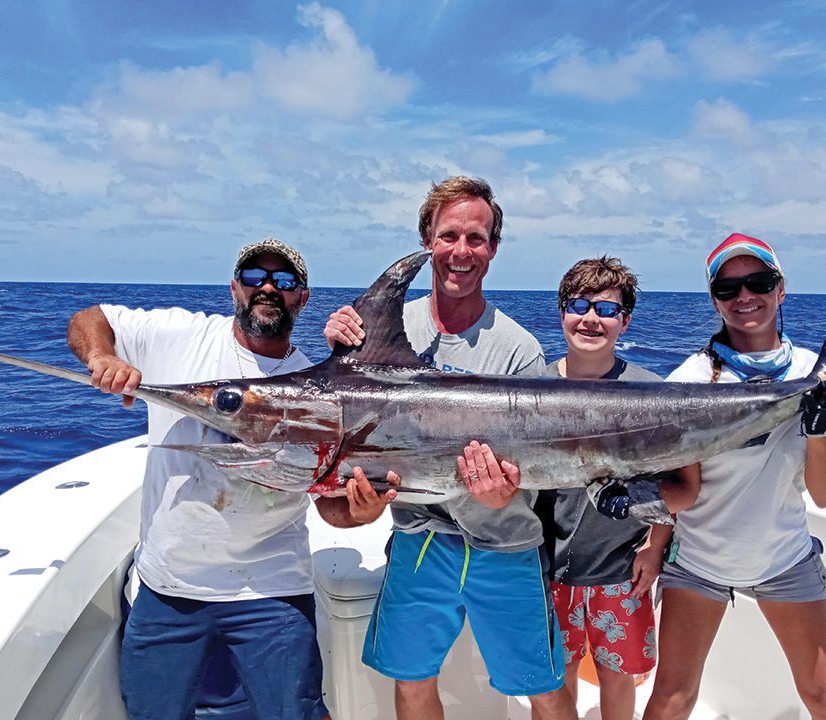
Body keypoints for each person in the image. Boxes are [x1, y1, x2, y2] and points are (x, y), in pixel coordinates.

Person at [68, 238, 394, 720]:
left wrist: (360, 512)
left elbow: (329, 505)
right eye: (253, 277)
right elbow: (90, 319)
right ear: (234, 288)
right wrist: (102, 357)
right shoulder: (180, 334)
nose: (267, 287)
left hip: (272, 588)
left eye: (283, 282)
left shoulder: (316, 382)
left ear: (302, 298)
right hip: (167, 587)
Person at [325, 176, 575, 720]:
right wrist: (337, 347)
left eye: (477, 239)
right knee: (413, 682)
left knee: (545, 690)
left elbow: (539, 462)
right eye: (449, 236)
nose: (462, 251)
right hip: (419, 540)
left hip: (504, 545)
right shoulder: (378, 330)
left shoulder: (517, 349)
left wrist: (506, 494)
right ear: (427, 241)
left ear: (492, 249)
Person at [643, 233, 826, 720]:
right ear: (714, 301)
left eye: (759, 282)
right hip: (698, 562)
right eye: (728, 289)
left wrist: (819, 431)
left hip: (785, 559)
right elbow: (682, 489)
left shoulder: (818, 376)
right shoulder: (689, 383)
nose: (744, 297)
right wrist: (653, 551)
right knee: (672, 698)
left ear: (781, 290)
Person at [532, 257, 698, 720]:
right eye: (579, 305)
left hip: (623, 568)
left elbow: (679, 483)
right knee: (554, 678)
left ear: (625, 321)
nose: (590, 319)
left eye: (606, 310)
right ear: (561, 311)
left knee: (617, 676)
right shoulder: (530, 386)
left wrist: (654, 545)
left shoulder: (650, 391)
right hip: (548, 568)